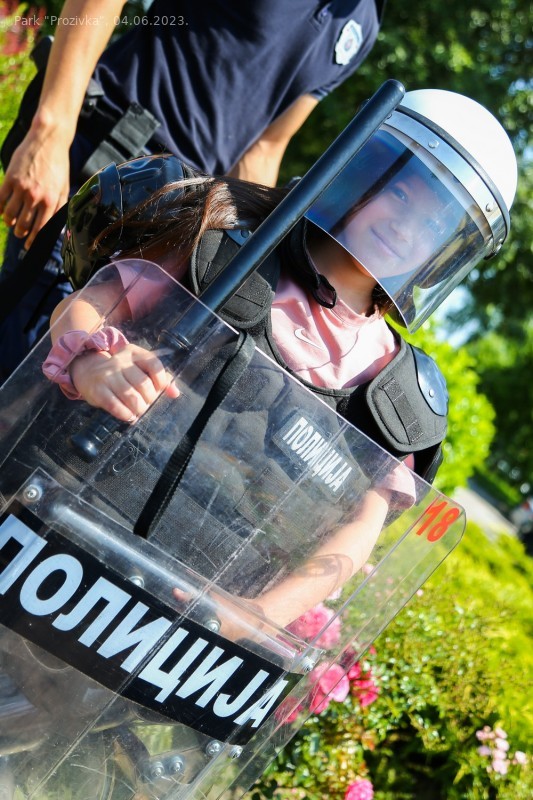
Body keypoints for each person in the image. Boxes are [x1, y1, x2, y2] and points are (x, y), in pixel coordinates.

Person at [41, 88, 517, 630]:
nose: (406, 228)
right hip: (61, 525)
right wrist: (93, 363)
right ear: (362, 171)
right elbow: (93, 303)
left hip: (178, 625)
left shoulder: (396, 396)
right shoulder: (227, 247)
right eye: (402, 196)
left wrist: (257, 617)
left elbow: (361, 529)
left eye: (434, 225)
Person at [0, 0, 385, 381]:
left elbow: (265, 148)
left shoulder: (364, 20)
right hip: (104, 175)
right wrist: (50, 130)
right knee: (24, 359)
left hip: (177, 227)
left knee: (82, 391)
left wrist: (248, 274)